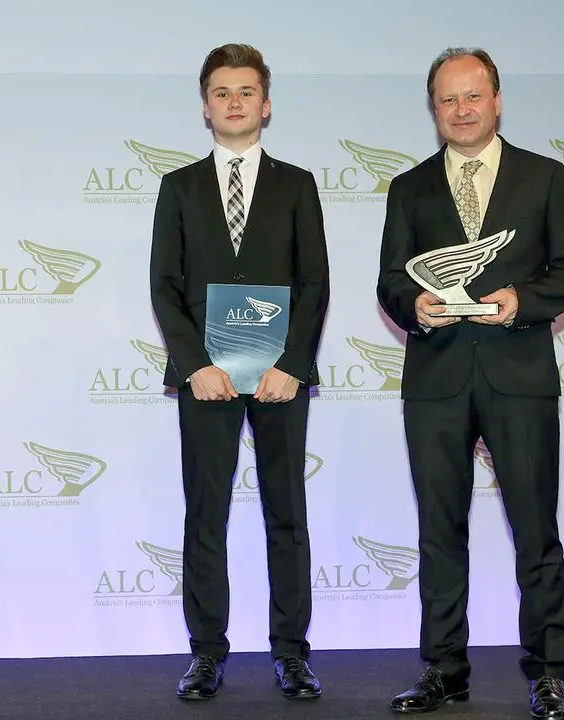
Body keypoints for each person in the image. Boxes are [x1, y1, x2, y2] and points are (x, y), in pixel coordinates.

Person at [376, 47, 564, 719]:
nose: (461, 110)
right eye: (448, 99)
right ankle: (444, 669)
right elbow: (389, 280)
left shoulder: (544, 176)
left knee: (535, 527)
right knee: (440, 531)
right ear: (433, 109)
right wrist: (413, 306)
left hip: (518, 376)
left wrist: (521, 301)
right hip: (436, 380)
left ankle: (549, 671)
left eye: (473, 96)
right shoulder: (409, 188)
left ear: (497, 100)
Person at [149, 42, 330, 702]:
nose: (234, 102)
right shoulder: (179, 187)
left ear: (266, 103)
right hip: (207, 380)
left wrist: (293, 364)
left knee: (287, 513)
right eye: (221, 92)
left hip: (280, 378)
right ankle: (206, 654)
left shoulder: (297, 185)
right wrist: (194, 365)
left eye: (246, 91)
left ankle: (292, 653)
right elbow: (164, 285)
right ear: (205, 106)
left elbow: (315, 282)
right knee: (206, 514)